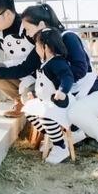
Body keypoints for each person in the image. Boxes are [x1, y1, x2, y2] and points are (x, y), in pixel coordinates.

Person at [0, 3, 98, 164]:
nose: (26, 33)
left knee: (75, 113)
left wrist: (57, 86)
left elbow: (80, 68)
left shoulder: (68, 37)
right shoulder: (42, 45)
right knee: (32, 107)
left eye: (27, 29)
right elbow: (23, 69)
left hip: (89, 95)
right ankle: (63, 140)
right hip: (65, 99)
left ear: (41, 25)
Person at [23, 28, 75, 164]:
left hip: (60, 103)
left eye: (37, 46)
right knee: (29, 110)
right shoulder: (45, 63)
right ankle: (55, 137)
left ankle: (61, 147)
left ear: (45, 47)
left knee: (45, 114)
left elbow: (67, 76)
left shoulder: (57, 62)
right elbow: (43, 84)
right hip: (47, 102)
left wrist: (62, 91)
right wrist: (34, 94)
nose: (36, 50)